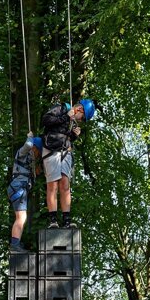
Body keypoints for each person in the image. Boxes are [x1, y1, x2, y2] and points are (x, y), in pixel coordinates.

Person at [41, 97, 96, 229]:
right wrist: (66, 116)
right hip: (51, 150)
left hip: (65, 152)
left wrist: (74, 136)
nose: (81, 121)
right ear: (79, 109)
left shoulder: (73, 122)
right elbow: (46, 120)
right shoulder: (62, 109)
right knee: (53, 185)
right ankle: (53, 220)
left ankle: (66, 220)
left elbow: (66, 138)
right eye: (82, 118)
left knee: (65, 184)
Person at [7, 132, 43, 253]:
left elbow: (36, 172)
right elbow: (28, 145)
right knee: (21, 217)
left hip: (19, 188)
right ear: (34, 148)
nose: (38, 154)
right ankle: (14, 245)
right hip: (18, 187)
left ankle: (16, 243)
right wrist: (30, 137)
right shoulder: (22, 152)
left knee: (22, 217)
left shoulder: (30, 161)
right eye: (38, 151)